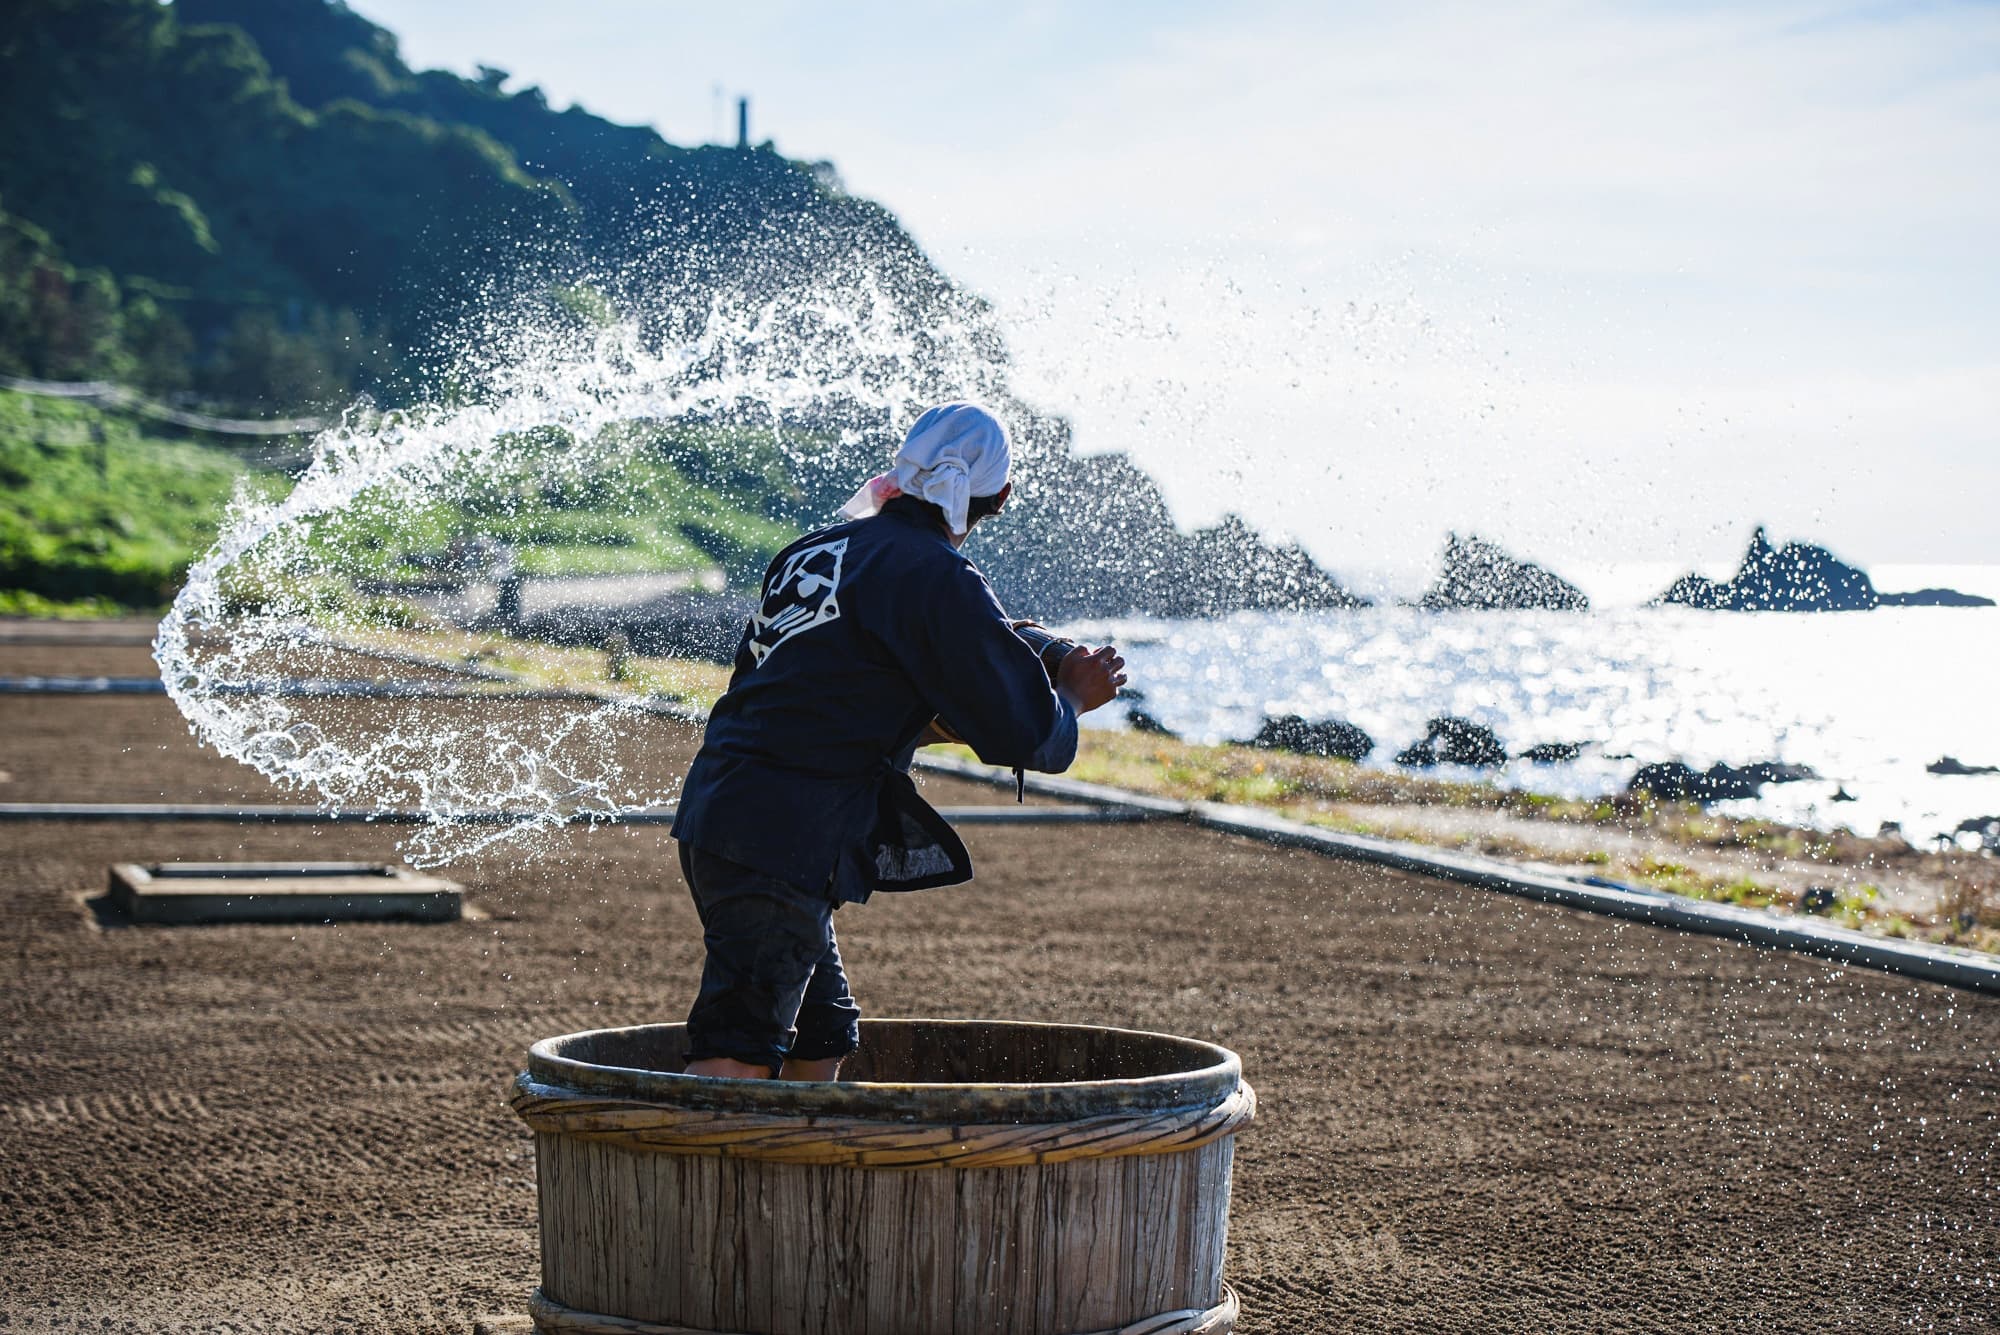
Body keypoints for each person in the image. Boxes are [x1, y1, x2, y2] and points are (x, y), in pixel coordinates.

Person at [669, 402, 1126, 1081]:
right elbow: (1033, 737)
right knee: (736, 1052)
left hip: (720, 810)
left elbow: (836, 684)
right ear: (1001, 497)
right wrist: (1075, 695)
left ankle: (794, 1153)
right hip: (782, 838)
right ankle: (703, 1154)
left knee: (821, 1035)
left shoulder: (814, 551)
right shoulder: (936, 575)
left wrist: (1014, 656)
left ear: (903, 470)